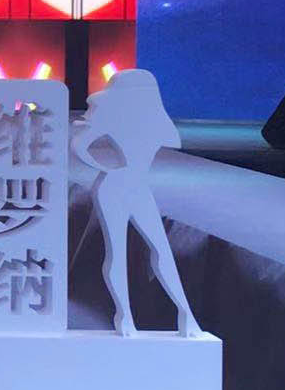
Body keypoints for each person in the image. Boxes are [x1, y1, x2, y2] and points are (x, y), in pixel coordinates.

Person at [71, 68, 201, 338]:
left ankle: (184, 314)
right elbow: (79, 145)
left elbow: (80, 145)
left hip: (132, 187)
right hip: (117, 187)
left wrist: (102, 165)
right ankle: (126, 315)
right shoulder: (141, 120)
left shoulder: (142, 120)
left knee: (157, 250)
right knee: (121, 251)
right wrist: (104, 167)